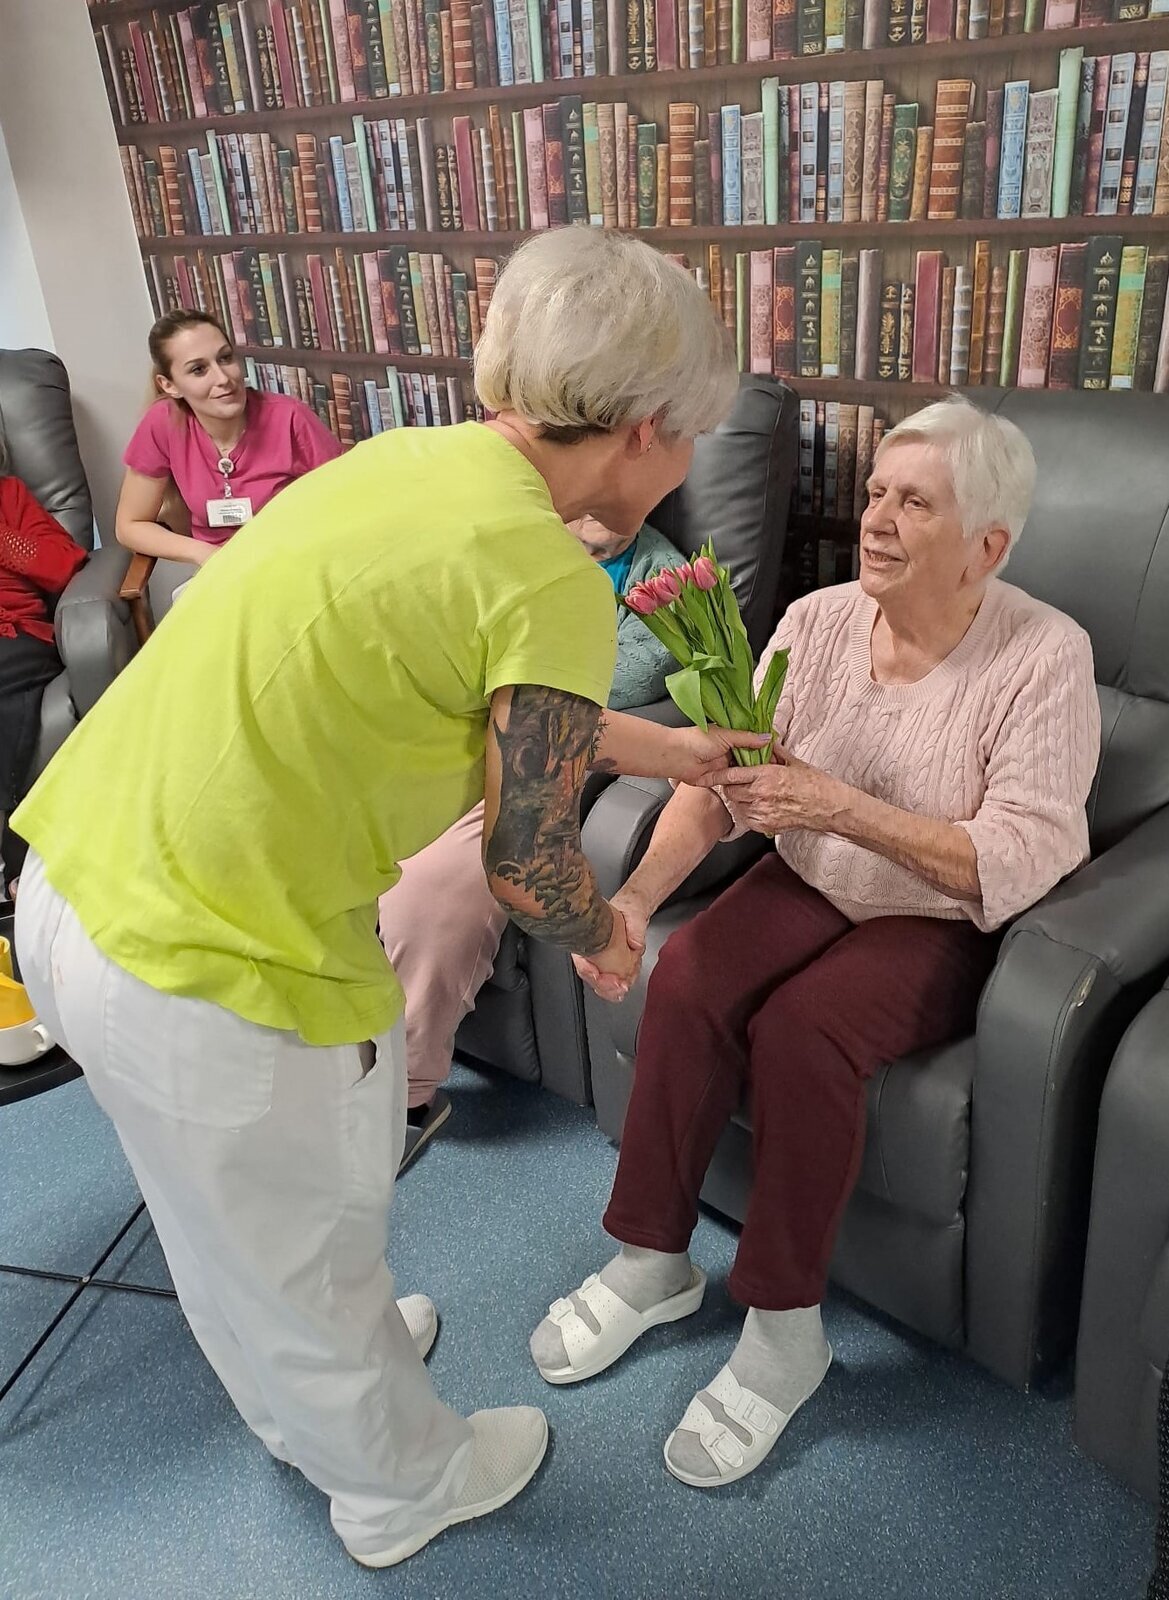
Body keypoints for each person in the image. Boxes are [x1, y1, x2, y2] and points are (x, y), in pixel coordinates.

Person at [12, 229, 759, 1567]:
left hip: (73, 884)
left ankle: (302, 1399)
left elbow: (500, 701)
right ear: (646, 428)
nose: (687, 458)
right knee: (307, 1244)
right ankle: (401, 1486)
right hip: (206, 958)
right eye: (689, 432)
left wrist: (676, 750)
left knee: (220, 1225)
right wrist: (609, 932)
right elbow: (529, 859)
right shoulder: (548, 573)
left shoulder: (403, 461)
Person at [531, 397, 1102, 1490]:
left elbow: (1021, 854)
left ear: (986, 546)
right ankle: (652, 1260)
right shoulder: (818, 619)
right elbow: (722, 786)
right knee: (690, 974)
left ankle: (784, 1330)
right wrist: (636, 901)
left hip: (937, 915)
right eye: (876, 493)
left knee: (804, 1030)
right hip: (811, 875)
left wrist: (839, 806)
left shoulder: (1044, 656)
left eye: (913, 503)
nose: (875, 519)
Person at [382, 510, 681, 1172]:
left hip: (533, 761)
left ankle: (403, 1099)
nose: (594, 505)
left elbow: (598, 691)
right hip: (433, 739)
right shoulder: (501, 544)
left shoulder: (667, 580)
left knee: (431, 888)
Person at [116, 308, 342, 576]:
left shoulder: (290, 417)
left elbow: (346, 502)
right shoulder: (163, 422)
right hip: (220, 574)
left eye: (225, 358)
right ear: (169, 385)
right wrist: (204, 553)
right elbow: (130, 525)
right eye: (199, 370)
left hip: (296, 565)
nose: (224, 379)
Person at [0, 436, 87, 898]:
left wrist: (3, 539)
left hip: (14, 635)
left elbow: (64, 565)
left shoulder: (9, 495)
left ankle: (19, 859)